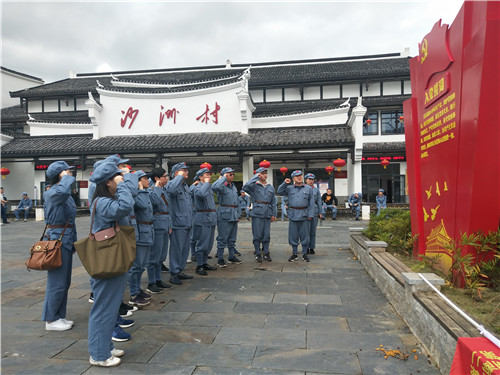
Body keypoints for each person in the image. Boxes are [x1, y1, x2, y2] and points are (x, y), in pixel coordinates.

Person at [87, 162, 134, 367]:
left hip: (112, 258)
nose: (121, 179)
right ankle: (98, 354)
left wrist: (121, 185)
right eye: (116, 177)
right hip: (107, 261)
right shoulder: (103, 202)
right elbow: (125, 206)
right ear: (108, 182)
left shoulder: (107, 199)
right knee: (104, 307)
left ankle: (104, 345)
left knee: (110, 305)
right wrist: (122, 185)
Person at [42, 161, 77, 332]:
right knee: (57, 282)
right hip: (57, 240)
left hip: (66, 239)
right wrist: (65, 178)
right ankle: (50, 319)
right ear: (60, 174)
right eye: (67, 171)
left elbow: (71, 221)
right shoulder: (53, 193)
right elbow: (62, 190)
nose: (71, 173)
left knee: (64, 281)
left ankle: (58, 315)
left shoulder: (64, 193)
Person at [128, 170, 154, 307]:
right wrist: (141, 190)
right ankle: (133, 293)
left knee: (142, 265)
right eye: (144, 178)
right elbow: (143, 206)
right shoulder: (137, 194)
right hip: (141, 232)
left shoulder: (145, 193)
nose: (147, 180)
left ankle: (137, 289)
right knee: (136, 266)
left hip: (148, 231)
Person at [166, 162, 194, 285]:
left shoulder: (184, 186)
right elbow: (171, 189)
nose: (186, 172)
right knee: (177, 250)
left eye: (186, 170)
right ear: (176, 173)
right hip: (178, 223)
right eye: (183, 170)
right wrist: (179, 177)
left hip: (187, 222)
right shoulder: (173, 184)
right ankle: (174, 273)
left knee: (184, 249)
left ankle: (180, 270)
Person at [277, 170, 314, 262]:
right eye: (297, 176)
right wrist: (285, 183)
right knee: (293, 235)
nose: (299, 177)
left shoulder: (308, 189)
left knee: (305, 235)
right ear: (293, 178)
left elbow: (311, 203)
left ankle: (305, 254)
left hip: (304, 214)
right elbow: (279, 191)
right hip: (293, 214)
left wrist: (310, 214)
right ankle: (294, 253)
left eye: (300, 175)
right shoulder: (289, 188)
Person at [242, 167, 277, 262]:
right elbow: (245, 187)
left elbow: (273, 201)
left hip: (267, 213)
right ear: (258, 175)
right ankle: (257, 252)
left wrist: (273, 214)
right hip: (257, 212)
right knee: (257, 235)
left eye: (265, 173)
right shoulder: (254, 186)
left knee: (266, 235)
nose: (264, 175)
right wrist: (255, 177)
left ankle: (266, 252)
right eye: (262, 173)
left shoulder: (270, 187)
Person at [146, 167, 172, 293]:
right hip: (156, 226)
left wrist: (170, 225)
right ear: (157, 178)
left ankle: (158, 279)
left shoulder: (163, 190)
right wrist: (156, 187)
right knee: (154, 256)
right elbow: (155, 202)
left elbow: (168, 209)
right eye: (164, 176)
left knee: (161, 255)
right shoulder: (151, 190)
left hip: (165, 224)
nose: (166, 178)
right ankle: (151, 282)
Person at [212, 167, 241, 267]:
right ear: (224, 175)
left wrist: (238, 213)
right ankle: (220, 258)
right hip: (224, 214)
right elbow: (214, 187)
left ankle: (231, 256)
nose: (232, 176)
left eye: (233, 174)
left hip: (233, 213)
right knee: (222, 238)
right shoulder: (222, 185)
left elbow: (236, 201)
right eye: (230, 174)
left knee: (232, 238)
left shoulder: (233, 186)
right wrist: (222, 178)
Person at [192, 168, 218, 275]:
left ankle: (204, 262)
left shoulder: (209, 188)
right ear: (200, 177)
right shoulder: (197, 188)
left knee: (209, 243)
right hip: (202, 217)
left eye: (209, 175)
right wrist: (206, 184)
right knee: (202, 243)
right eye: (206, 175)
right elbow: (201, 195)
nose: (209, 177)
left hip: (210, 217)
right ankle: (199, 265)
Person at [305, 173, 324, 255]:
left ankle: (312, 247)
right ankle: (305, 247)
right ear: (306, 180)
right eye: (309, 179)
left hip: (315, 212)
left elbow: (319, 202)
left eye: (312, 179)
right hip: (305, 212)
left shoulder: (316, 190)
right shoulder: (303, 189)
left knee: (313, 231)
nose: (311, 181)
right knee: (306, 231)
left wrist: (321, 212)